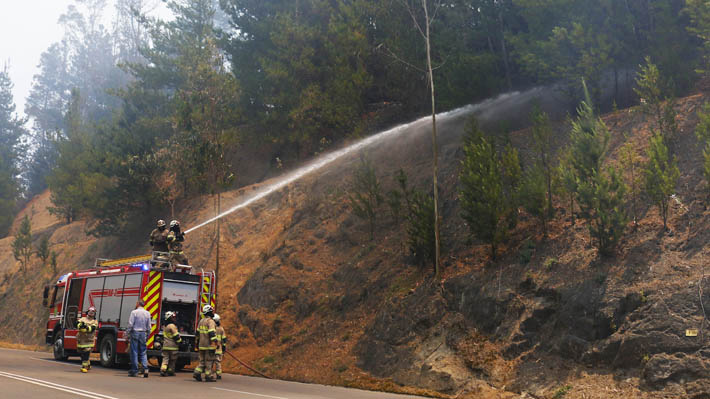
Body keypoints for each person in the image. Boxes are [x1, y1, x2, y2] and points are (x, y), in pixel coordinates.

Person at [193, 305, 218, 382]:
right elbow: (211, 332)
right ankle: (208, 376)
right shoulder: (211, 321)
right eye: (212, 311)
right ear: (210, 312)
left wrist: (197, 343)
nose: (213, 313)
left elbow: (197, 333)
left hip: (201, 345)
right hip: (208, 345)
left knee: (202, 361)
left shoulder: (201, 321)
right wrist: (215, 342)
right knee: (209, 361)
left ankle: (197, 373)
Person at [127, 299, 151, 378]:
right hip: (143, 333)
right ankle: (145, 369)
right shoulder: (147, 313)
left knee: (134, 352)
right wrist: (147, 336)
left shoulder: (134, 312)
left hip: (135, 332)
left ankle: (134, 370)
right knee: (143, 352)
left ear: (137, 304)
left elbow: (130, 324)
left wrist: (127, 333)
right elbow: (149, 327)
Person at [76, 306, 98, 373]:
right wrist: (80, 325)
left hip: (89, 340)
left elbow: (92, 328)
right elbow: (77, 324)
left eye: (93, 312)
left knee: (86, 352)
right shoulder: (82, 319)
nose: (91, 313)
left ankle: (84, 367)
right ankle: (88, 363)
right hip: (81, 339)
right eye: (90, 311)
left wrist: (85, 328)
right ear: (87, 312)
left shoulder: (95, 322)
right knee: (80, 352)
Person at [160, 311, 182, 377]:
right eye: (173, 317)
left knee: (165, 359)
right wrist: (180, 341)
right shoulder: (172, 326)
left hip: (165, 346)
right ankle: (171, 371)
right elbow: (176, 336)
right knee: (172, 360)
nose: (174, 318)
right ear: (170, 318)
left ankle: (163, 370)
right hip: (173, 346)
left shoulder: (165, 326)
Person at [213, 314, 227, 380]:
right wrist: (224, 347)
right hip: (219, 349)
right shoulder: (221, 329)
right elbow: (224, 339)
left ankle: (209, 374)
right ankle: (218, 375)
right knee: (218, 362)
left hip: (212, 348)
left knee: (210, 362)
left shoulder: (211, 329)